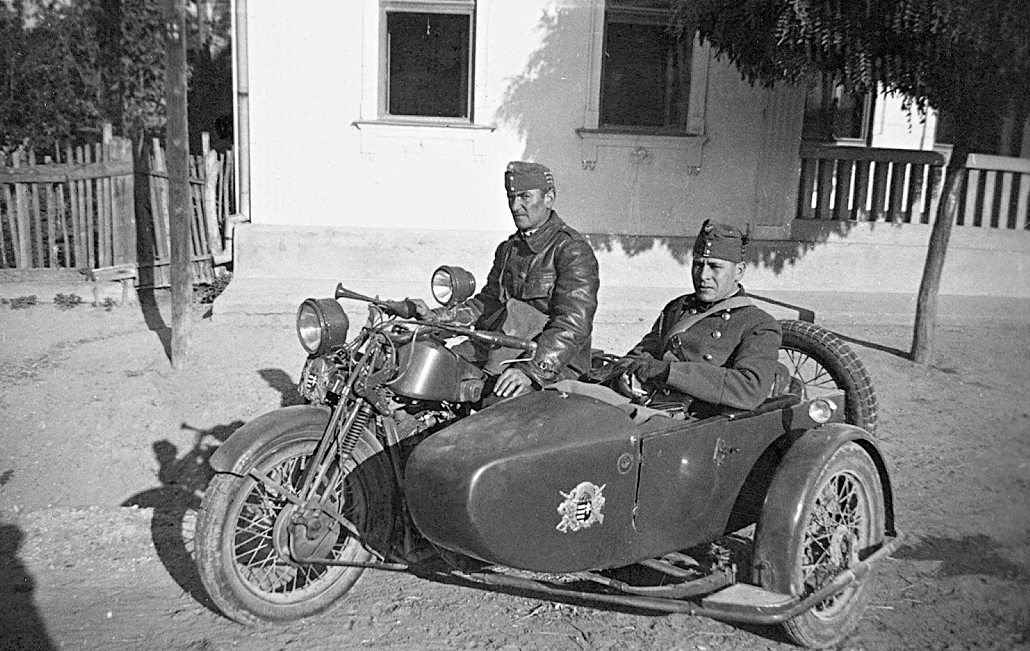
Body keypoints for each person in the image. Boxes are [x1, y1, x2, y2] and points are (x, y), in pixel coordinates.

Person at [415, 161, 600, 399]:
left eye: (525, 197)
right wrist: (438, 318)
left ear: (549, 198)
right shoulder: (509, 248)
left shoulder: (571, 250)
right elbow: (487, 303)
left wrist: (532, 371)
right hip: (504, 350)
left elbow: (573, 323)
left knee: (492, 406)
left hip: (553, 364)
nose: (515, 206)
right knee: (437, 370)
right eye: (511, 197)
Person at [614, 220, 782, 411]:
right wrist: (626, 375)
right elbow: (639, 355)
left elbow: (749, 389)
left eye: (715, 267)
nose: (703, 276)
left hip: (694, 418)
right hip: (651, 402)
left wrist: (669, 372)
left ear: (739, 271)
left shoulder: (758, 324)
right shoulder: (678, 307)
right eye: (698, 265)